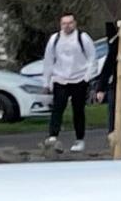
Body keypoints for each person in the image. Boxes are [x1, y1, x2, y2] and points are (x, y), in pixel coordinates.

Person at [38, 13, 99, 152]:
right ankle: (53, 136)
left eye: (70, 23)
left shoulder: (82, 38)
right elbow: (48, 61)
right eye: (64, 23)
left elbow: (92, 58)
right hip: (60, 79)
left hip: (79, 79)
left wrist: (87, 77)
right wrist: (46, 82)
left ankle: (79, 139)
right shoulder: (55, 39)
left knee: (78, 110)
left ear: (75, 23)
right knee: (57, 109)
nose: (67, 26)